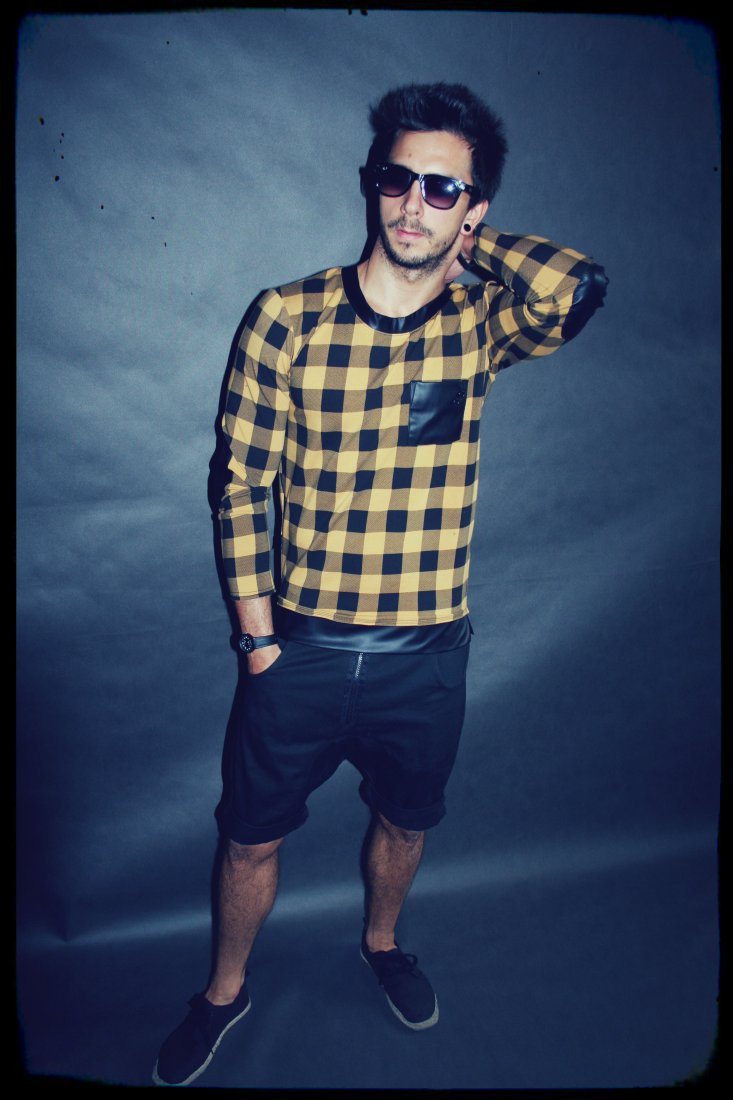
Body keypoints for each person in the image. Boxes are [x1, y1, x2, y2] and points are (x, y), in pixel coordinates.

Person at [153, 81, 607, 1087]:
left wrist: (469, 245)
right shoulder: (287, 316)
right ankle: (223, 992)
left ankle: (382, 944)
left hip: (426, 658)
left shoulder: (480, 322)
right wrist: (257, 640)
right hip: (300, 650)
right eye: (398, 179)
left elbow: (576, 288)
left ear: (474, 206)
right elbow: (240, 483)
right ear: (372, 182)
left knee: (407, 822)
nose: (412, 203)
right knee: (248, 839)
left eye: (443, 189)